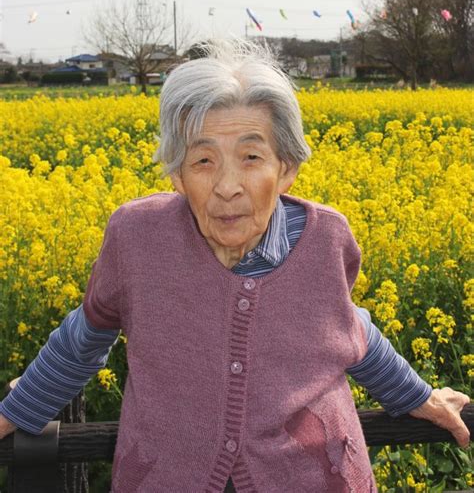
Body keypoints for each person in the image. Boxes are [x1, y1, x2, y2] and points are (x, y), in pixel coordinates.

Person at [0, 40, 469, 492]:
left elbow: (350, 329)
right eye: (203, 160)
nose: (228, 186)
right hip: (167, 477)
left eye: (251, 157)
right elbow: (85, 337)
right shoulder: (136, 238)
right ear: (177, 174)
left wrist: (415, 396)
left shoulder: (327, 238)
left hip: (312, 478)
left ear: (285, 168)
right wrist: (17, 410)